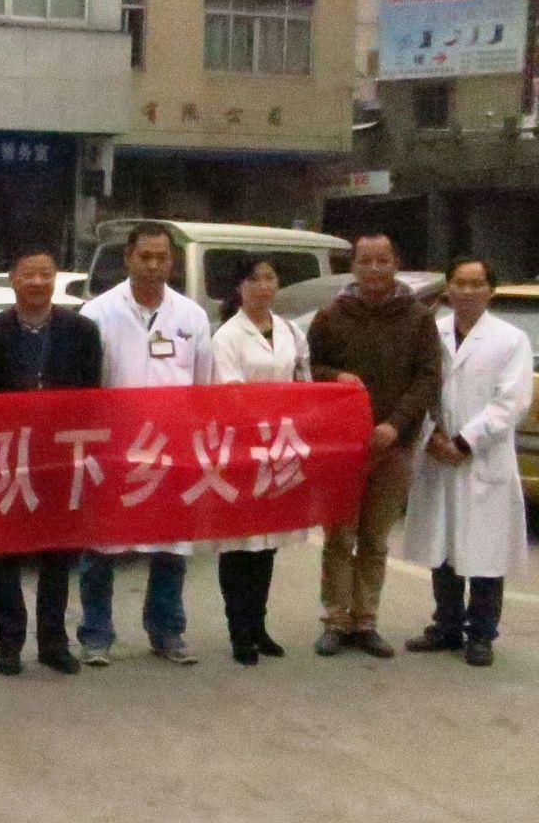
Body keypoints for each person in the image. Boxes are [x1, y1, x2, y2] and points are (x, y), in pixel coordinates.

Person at [76, 222, 214, 668]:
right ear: (128, 259)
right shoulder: (98, 313)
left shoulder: (191, 316)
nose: (154, 265)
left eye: (162, 258)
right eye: (145, 256)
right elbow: (87, 389)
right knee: (101, 546)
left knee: (170, 546)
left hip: (172, 449)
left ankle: (167, 632)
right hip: (115, 448)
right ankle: (96, 634)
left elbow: (203, 386)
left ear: (172, 263)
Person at [308, 234, 441, 659]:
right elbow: (309, 368)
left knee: (375, 538)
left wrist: (395, 425)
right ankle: (335, 619)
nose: (374, 269)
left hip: (393, 446)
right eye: (365, 261)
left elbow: (428, 378)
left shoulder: (418, 318)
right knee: (338, 535)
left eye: (383, 260)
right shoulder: (331, 316)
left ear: (396, 263)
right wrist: (334, 376)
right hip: (342, 447)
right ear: (353, 266)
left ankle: (366, 620)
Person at [0, 248, 101, 678]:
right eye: (28, 274)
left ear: (55, 279)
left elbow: (92, 398)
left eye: (45, 274)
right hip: (7, 457)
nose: (37, 282)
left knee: (58, 554)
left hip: (61, 456)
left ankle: (53, 642)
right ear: (13, 279)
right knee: (5, 554)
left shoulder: (82, 331)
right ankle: (9, 643)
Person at [403, 257, 533, 667]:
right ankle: (446, 625)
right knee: (443, 545)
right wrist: (432, 436)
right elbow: (419, 387)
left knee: (485, 551)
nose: (469, 291)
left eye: (478, 284)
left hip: (482, 458)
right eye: (461, 283)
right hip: (438, 452)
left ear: (490, 289)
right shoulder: (433, 333)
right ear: (449, 288)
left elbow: (512, 402)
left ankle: (481, 634)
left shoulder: (511, 339)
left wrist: (464, 441)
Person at [209, 257, 312, 665]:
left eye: (270, 278)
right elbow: (230, 391)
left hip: (279, 447)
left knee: (267, 544)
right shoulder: (227, 336)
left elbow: (302, 379)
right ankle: (239, 630)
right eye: (254, 279)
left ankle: (258, 625)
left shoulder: (289, 330)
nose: (263, 286)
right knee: (239, 544)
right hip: (241, 447)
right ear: (240, 287)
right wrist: (267, 412)